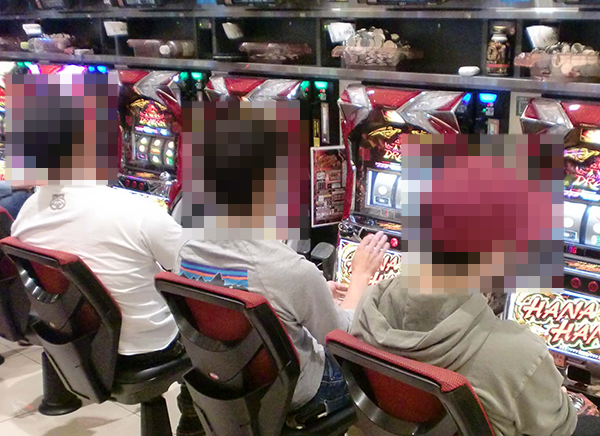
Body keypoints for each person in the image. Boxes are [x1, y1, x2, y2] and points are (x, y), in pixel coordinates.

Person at [6, 72, 201, 436]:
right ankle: (194, 419)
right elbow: (195, 271)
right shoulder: (138, 213)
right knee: (210, 313)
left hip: (78, 343)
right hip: (145, 348)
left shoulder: (28, 213)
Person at [175, 99, 390, 427]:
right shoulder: (289, 271)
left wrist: (313, 293)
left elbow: (234, 301)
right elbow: (342, 340)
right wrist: (360, 275)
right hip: (294, 392)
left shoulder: (188, 247)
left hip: (228, 378)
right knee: (372, 379)